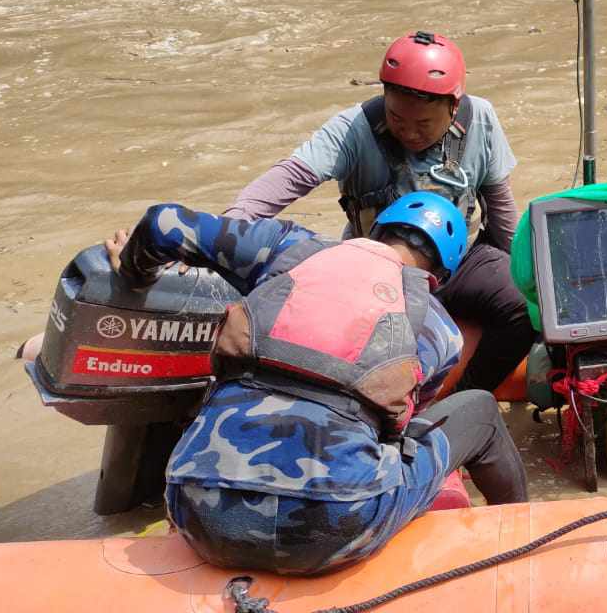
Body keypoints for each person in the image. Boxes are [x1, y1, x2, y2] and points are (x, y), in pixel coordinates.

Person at [103, 192, 528, 575]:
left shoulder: (288, 246)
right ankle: (524, 544)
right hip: (334, 528)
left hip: (196, 508)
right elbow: (398, 430)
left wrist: (134, 274)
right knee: (480, 410)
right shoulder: (439, 328)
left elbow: (162, 222)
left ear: (376, 230)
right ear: (443, 275)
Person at [225, 30, 535, 394]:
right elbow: (286, 180)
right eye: (398, 119)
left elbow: (501, 212)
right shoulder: (353, 128)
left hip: (459, 260)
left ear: (453, 106)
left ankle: (466, 395)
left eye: (423, 124)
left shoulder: (480, 118)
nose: (409, 132)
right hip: (377, 268)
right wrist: (228, 228)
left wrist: (528, 279)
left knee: (521, 307)